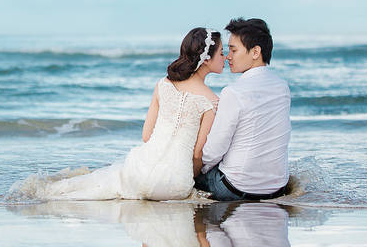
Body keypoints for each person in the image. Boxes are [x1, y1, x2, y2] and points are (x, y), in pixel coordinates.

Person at [31, 27, 224, 201]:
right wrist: (192, 178)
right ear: (206, 60)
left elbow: (146, 136)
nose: (225, 58)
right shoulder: (212, 101)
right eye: (222, 53)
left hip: (139, 172)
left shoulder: (163, 85)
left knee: (104, 179)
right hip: (175, 186)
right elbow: (198, 154)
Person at [196, 18, 291, 201]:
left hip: (235, 189)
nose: (228, 57)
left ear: (255, 52)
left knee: (188, 172)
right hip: (277, 188)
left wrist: (199, 168)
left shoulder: (233, 92)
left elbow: (214, 150)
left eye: (233, 50)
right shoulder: (282, 87)